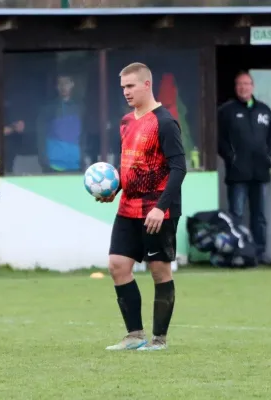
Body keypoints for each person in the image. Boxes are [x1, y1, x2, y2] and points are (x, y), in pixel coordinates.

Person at [98, 63, 187, 351]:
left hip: (157, 211)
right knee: (117, 265)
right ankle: (134, 335)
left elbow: (179, 168)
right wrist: (115, 189)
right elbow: (132, 166)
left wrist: (161, 208)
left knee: (160, 270)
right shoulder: (126, 122)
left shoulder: (165, 121)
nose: (126, 92)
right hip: (128, 207)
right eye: (123, 87)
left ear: (147, 85)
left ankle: (159, 339)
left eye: (131, 86)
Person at [218, 71, 271, 264]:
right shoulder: (227, 111)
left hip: (260, 172)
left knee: (259, 216)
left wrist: (270, 156)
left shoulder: (264, 110)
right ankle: (238, 253)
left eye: (246, 84)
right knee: (236, 215)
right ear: (236, 88)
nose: (243, 88)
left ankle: (258, 254)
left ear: (252, 86)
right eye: (239, 84)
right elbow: (219, 138)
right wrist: (231, 157)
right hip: (238, 173)